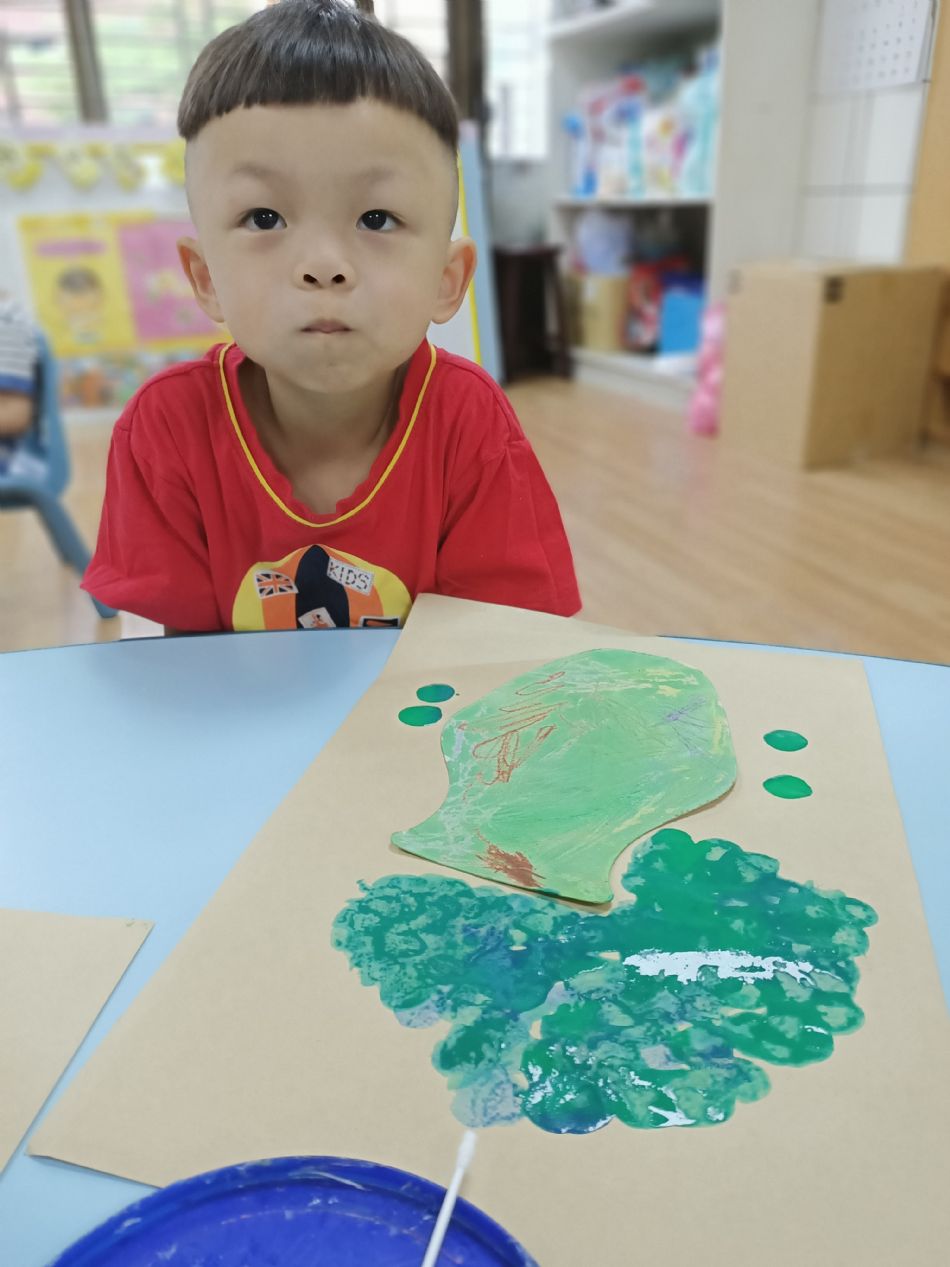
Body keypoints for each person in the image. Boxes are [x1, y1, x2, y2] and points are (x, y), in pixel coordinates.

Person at [83, 0, 580, 633]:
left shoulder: (468, 421)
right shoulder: (168, 429)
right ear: (205, 278)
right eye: (265, 218)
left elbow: (490, 649)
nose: (323, 266)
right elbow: (185, 664)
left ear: (447, 280)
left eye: (377, 218)